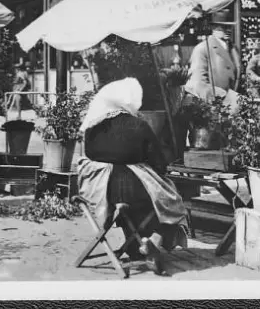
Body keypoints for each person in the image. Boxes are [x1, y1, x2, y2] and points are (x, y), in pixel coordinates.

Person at [77, 77, 189, 275]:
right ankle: (153, 240)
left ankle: (136, 246)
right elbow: (159, 163)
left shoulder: (93, 127)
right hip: (138, 190)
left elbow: (90, 155)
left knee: (128, 208)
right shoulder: (139, 125)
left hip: (104, 191)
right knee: (170, 201)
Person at [185, 9, 241, 103]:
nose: (227, 30)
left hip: (232, 104)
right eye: (222, 27)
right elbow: (198, 82)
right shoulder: (203, 48)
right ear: (213, 28)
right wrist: (217, 96)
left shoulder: (233, 49)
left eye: (229, 27)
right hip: (214, 105)